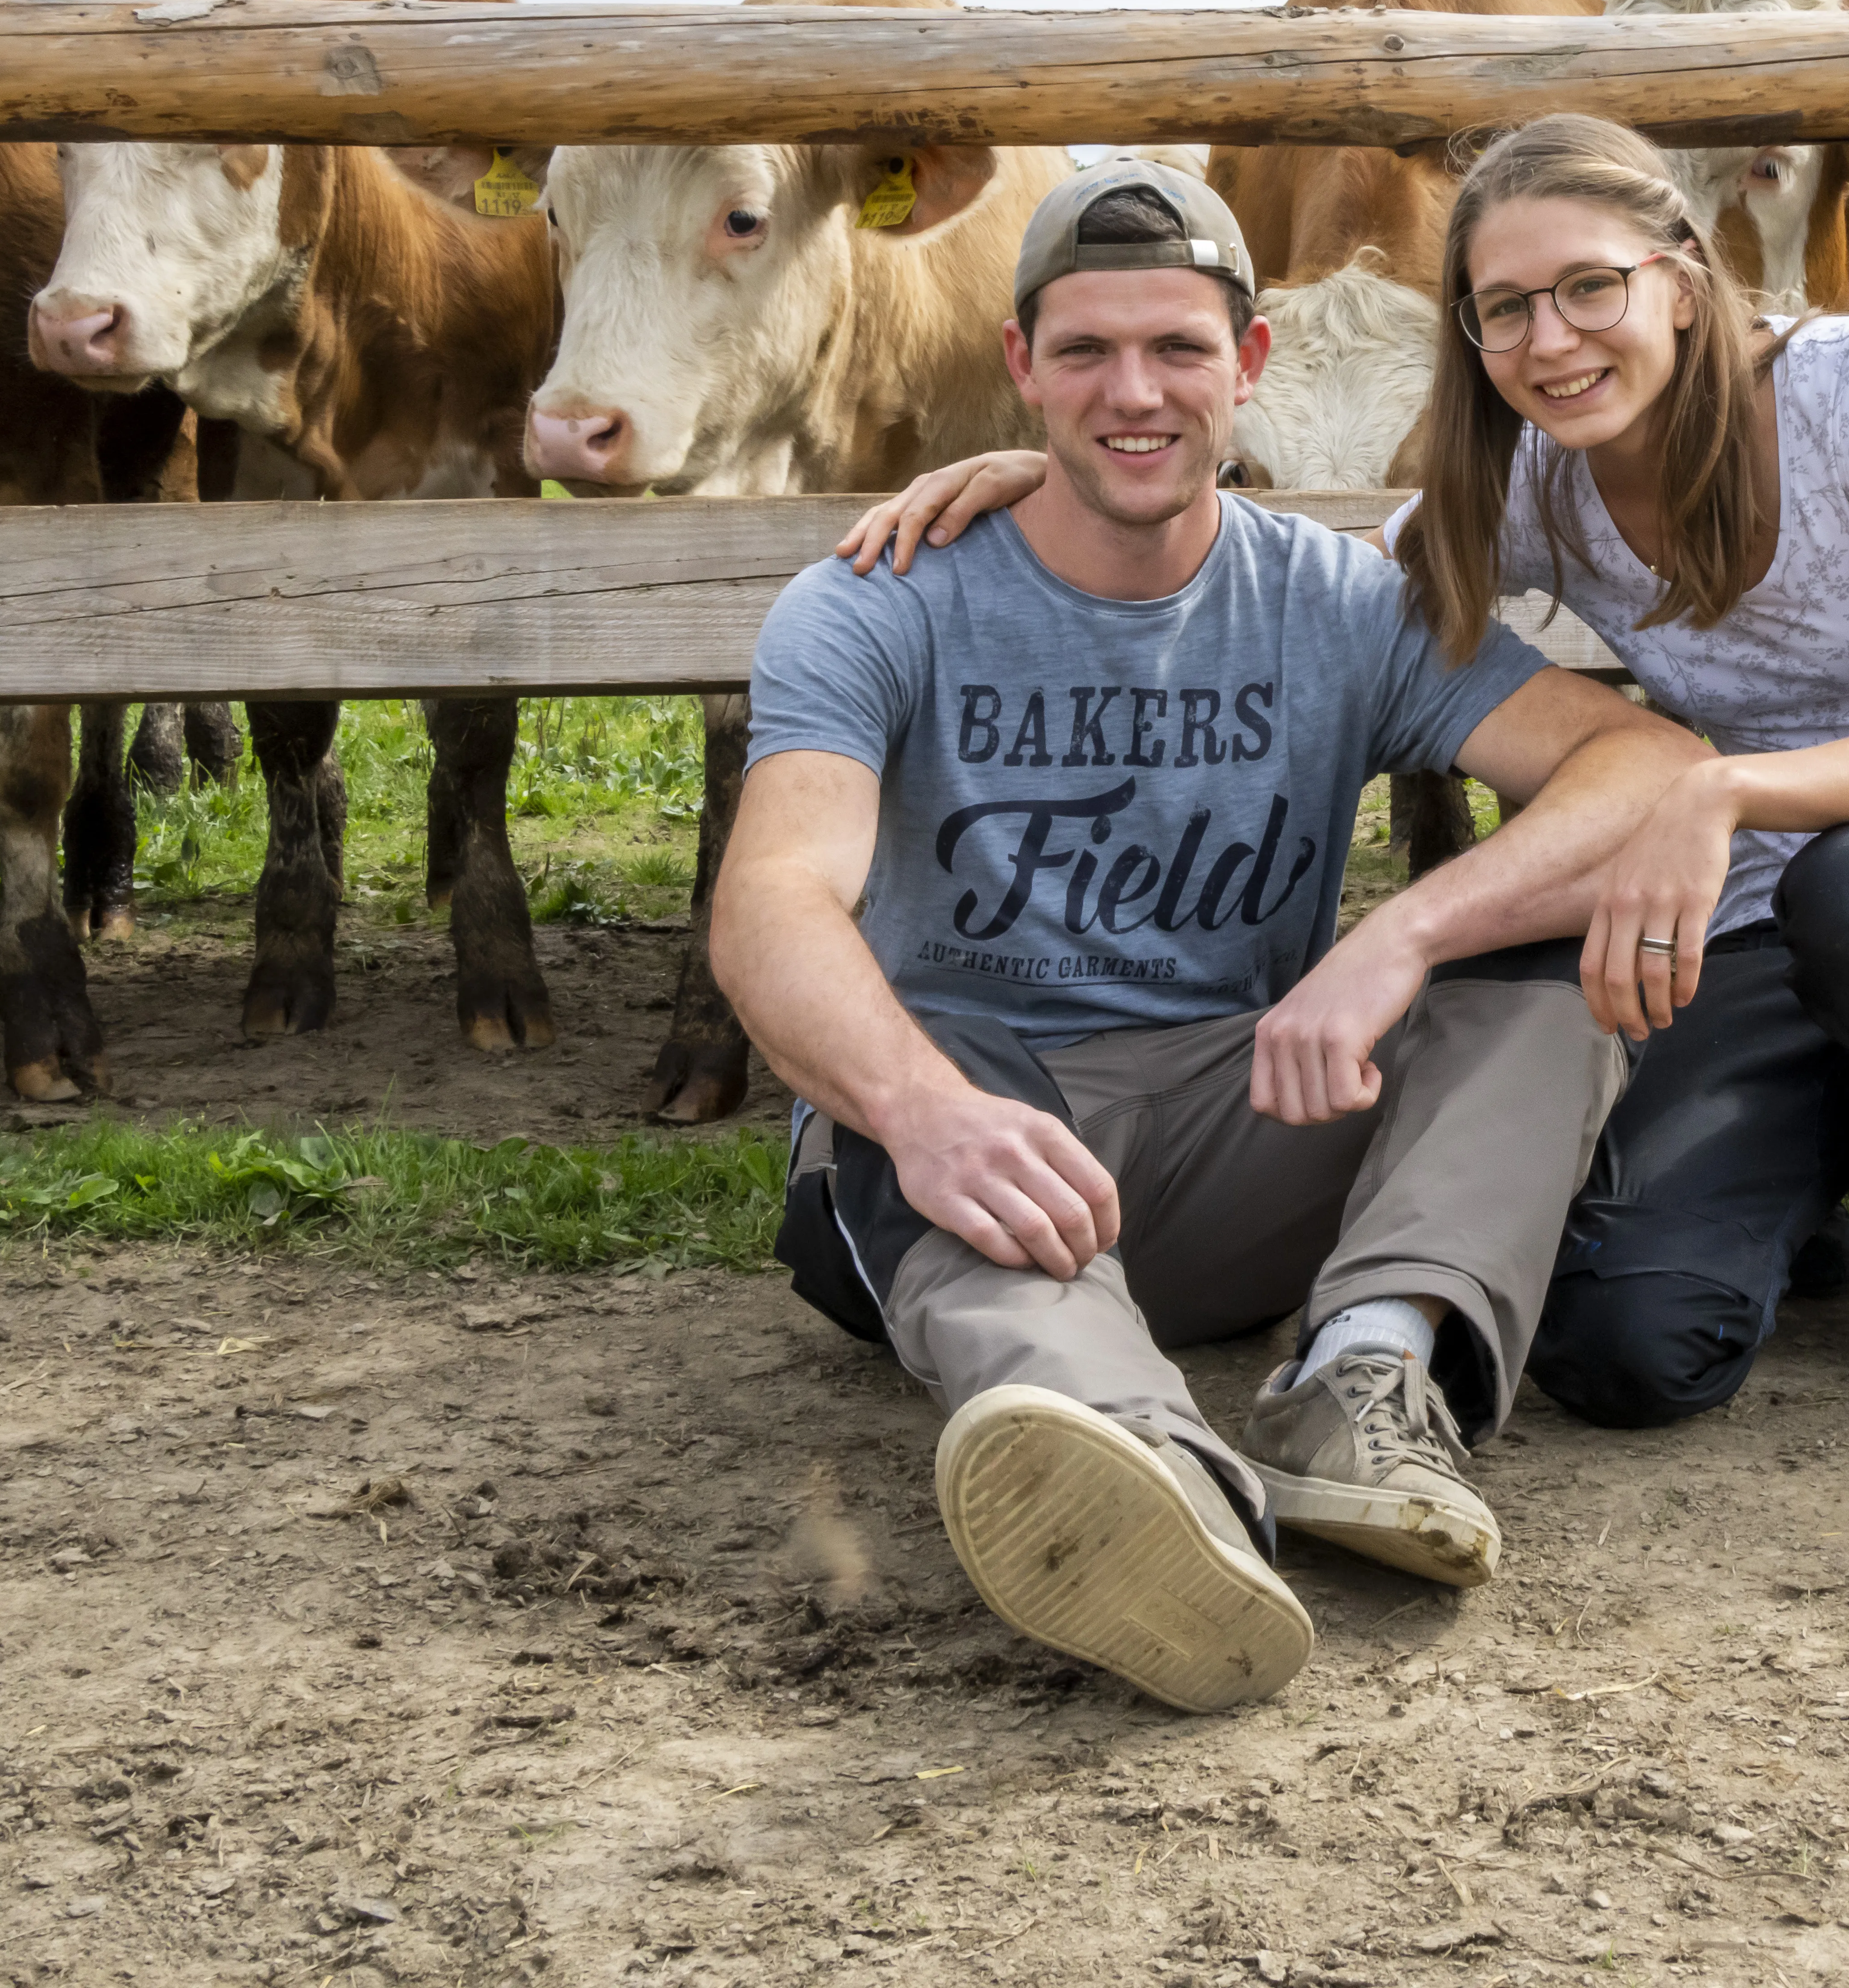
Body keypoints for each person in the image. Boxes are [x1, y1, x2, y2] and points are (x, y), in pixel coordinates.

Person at [843, 115, 1849, 1429]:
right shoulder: (1543, 479)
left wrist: (1719, 791)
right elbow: (1309, 593)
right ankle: (1799, 1188)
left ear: (1683, 278)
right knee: (1619, 1343)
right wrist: (1084, 481)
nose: (1552, 341)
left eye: (1591, 287)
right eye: (1505, 310)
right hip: (1770, 927)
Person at [716, 156, 1703, 1716]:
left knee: (1544, 974)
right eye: (1088, 351)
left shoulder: (1338, 605)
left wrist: (1403, 936)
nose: (1135, 393)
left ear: (1247, 364)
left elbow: (1643, 766)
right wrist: (919, 1111)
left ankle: (1363, 1378)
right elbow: (774, 899)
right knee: (918, 1051)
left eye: (1178, 348)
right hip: (961, 1144)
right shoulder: (880, 600)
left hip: (1241, 1123)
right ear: (1021, 365)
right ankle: (1141, 1474)